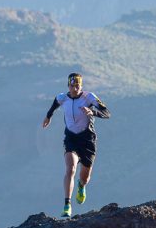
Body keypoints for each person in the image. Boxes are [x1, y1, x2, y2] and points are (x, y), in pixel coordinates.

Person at [42, 72, 111, 217]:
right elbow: (52, 108)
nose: (75, 88)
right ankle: (67, 205)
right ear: (68, 86)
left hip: (87, 139)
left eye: (78, 85)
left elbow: (107, 113)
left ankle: (81, 186)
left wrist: (92, 112)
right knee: (71, 168)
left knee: (85, 177)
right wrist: (48, 117)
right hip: (71, 138)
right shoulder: (62, 98)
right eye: (73, 86)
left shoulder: (89, 97)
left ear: (81, 86)